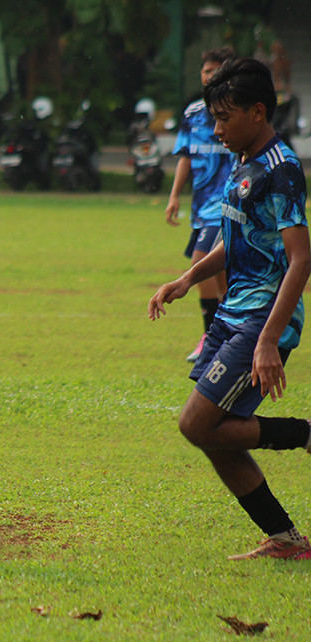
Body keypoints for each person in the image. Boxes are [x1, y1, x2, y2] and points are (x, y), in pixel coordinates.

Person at [149, 57, 311, 561]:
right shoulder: (245, 161)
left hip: (262, 320)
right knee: (213, 435)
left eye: (225, 118)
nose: (216, 129)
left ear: (258, 112)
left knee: (196, 425)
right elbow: (234, 241)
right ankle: (285, 540)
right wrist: (187, 278)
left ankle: (306, 435)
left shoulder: (281, 172)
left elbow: (301, 260)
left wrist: (268, 340)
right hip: (231, 315)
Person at [165, 48, 235, 363]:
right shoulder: (193, 113)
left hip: (228, 204)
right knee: (218, 274)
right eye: (206, 71)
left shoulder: (236, 111)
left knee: (201, 260)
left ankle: (214, 336)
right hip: (202, 206)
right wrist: (174, 195)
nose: (209, 76)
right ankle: (223, 333)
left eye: (216, 71)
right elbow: (186, 157)